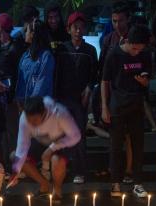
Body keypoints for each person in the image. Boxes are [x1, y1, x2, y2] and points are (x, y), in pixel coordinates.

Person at [102, 24, 152, 199]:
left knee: (138, 145)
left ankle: (137, 183)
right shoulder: (115, 54)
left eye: (140, 49)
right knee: (116, 146)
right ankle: (115, 182)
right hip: (118, 105)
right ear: (128, 41)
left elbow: (148, 77)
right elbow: (105, 81)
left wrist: (144, 82)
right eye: (134, 48)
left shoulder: (145, 55)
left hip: (136, 105)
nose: (136, 52)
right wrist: (104, 107)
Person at [54, 11, 97, 186]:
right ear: (69, 29)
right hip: (63, 98)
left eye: (81, 27)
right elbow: (56, 74)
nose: (78, 31)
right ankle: (62, 170)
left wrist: (88, 89)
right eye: (75, 27)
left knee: (79, 135)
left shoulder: (90, 51)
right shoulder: (62, 49)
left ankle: (80, 171)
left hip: (80, 100)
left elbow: (94, 75)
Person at [9, 96, 80, 200]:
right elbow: (22, 146)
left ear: (44, 113)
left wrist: (52, 148)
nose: (31, 123)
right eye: (29, 120)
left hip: (61, 142)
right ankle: (45, 185)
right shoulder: (25, 118)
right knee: (14, 157)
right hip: (40, 143)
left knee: (56, 160)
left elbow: (76, 136)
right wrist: (15, 171)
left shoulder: (59, 113)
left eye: (35, 120)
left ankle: (57, 190)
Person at [0, 13, 25, 167]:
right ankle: (5, 163)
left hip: (11, 96)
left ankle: (16, 164)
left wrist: (17, 96)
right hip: (0, 96)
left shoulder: (14, 48)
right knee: (3, 131)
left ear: (2, 28)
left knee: (13, 131)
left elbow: (19, 74)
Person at [16, 20, 55, 106]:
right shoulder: (25, 55)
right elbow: (20, 81)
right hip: (24, 105)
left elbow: (42, 84)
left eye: (27, 31)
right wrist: (19, 99)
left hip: (39, 107)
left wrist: (30, 105)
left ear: (33, 34)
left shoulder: (46, 57)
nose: (25, 33)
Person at [98, 2, 130, 81]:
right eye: (114, 21)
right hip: (112, 86)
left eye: (121, 21)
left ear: (128, 19)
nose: (117, 25)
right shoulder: (108, 39)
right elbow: (102, 66)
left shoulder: (135, 38)